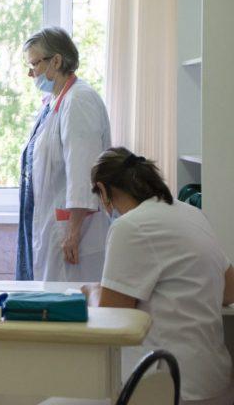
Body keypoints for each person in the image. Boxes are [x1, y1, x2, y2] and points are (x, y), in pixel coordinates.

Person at [83, 147, 234, 405]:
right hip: (216, 382)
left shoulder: (129, 226)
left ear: (103, 190)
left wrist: (92, 291)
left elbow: (112, 318)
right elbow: (229, 291)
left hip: (172, 387)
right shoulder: (191, 213)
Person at [17, 26, 112, 281]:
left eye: (34, 64)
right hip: (53, 226)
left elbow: (83, 172)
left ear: (56, 61)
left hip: (73, 234)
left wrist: (73, 231)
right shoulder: (54, 103)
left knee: (69, 299)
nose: (30, 73)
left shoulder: (79, 101)